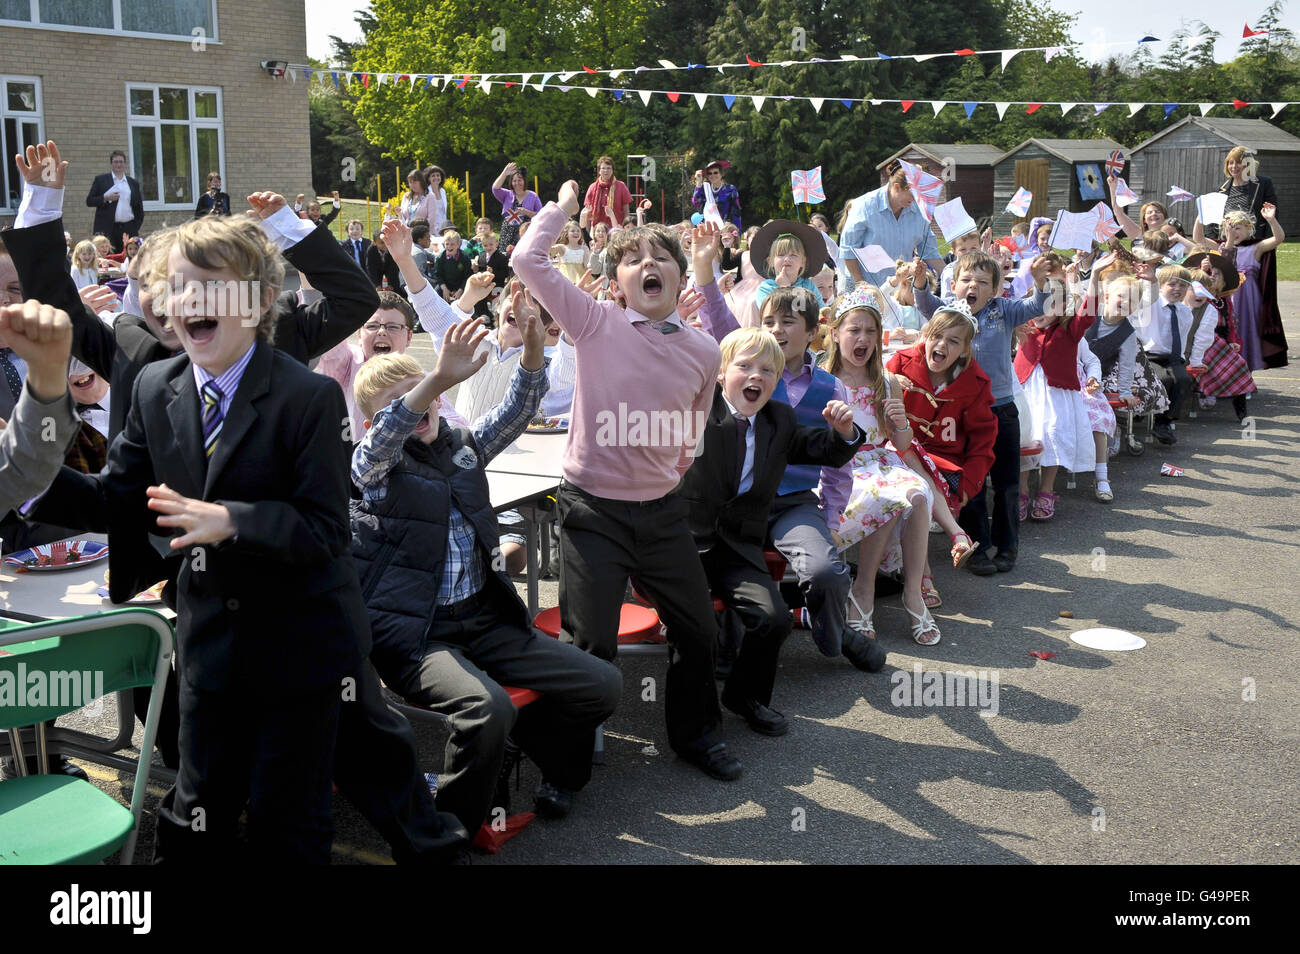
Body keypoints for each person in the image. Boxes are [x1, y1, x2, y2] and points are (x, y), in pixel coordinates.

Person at [28, 214, 384, 863]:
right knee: (195, 816)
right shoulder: (157, 387)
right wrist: (26, 474)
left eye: (214, 287)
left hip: (298, 653)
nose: (193, 300)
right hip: (209, 650)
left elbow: (328, 529)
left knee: (289, 825)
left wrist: (233, 521)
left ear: (259, 302)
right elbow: (116, 498)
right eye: (180, 286)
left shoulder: (307, 398)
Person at [351, 312, 621, 833]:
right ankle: (448, 827)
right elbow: (379, 444)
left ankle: (554, 770)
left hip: (485, 618)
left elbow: (518, 410)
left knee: (602, 682)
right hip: (417, 635)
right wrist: (435, 379)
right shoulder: (374, 465)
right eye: (400, 402)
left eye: (424, 392)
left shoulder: (463, 449)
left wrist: (535, 351)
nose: (418, 405)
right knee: (488, 709)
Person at [514, 179, 745, 782]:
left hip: (663, 513)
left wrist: (669, 472)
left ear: (677, 277)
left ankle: (696, 737)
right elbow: (525, 259)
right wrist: (562, 206)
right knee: (590, 649)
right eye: (634, 261)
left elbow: (693, 428)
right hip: (593, 513)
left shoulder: (702, 350)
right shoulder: (593, 322)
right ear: (615, 282)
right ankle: (564, 769)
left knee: (698, 629)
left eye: (661, 258)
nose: (649, 266)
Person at [692, 227, 885, 673]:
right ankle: (739, 639)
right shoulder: (749, 371)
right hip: (736, 503)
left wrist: (833, 521)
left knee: (826, 572)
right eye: (769, 322)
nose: (776, 330)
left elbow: (838, 462)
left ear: (814, 332)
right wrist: (704, 270)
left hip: (793, 504)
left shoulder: (829, 387)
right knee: (729, 606)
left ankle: (833, 637)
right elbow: (719, 319)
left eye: (789, 322)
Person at [679, 326, 863, 735]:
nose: (756, 376)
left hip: (736, 548)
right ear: (721, 373)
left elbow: (826, 450)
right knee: (696, 629)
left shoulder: (778, 419)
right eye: (744, 366)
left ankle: (745, 697)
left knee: (774, 619)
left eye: (768, 370)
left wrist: (844, 431)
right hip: (683, 545)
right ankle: (698, 727)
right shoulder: (695, 411)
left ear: (777, 382)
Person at [913, 249, 1051, 575]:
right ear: (955, 284)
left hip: (1001, 409)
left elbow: (1037, 305)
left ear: (996, 289)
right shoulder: (948, 310)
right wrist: (920, 283)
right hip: (962, 413)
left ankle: (1007, 548)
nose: (972, 286)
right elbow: (925, 304)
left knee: (1005, 484)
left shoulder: (1004, 310)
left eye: (982, 282)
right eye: (966, 279)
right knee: (970, 483)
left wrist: (1042, 282)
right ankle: (975, 547)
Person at [824, 286, 940, 647]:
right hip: (841, 468)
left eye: (870, 332)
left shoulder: (885, 381)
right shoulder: (823, 380)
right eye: (854, 330)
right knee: (886, 495)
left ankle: (913, 592)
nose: (863, 339)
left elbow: (902, 445)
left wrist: (901, 421)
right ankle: (865, 588)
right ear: (835, 333)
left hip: (881, 462)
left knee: (919, 493)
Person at [885, 304, 995, 607]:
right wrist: (890, 380)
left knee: (916, 486)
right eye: (936, 336)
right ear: (925, 336)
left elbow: (983, 443)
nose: (941, 345)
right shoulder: (899, 364)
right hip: (896, 452)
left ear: (964, 349)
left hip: (943, 465)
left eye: (953, 341)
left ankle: (921, 572)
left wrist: (969, 485)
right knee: (907, 488)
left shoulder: (976, 384)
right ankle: (924, 572)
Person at [1014, 279, 1096, 521]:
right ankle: (1021, 491)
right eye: (1036, 305)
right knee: (1023, 439)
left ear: (1061, 308)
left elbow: (1089, 312)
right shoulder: (1024, 325)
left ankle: (1046, 490)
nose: (1040, 312)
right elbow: (997, 307)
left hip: (1056, 394)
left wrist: (1096, 277)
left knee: (1053, 435)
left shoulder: (1071, 328)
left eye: (1048, 306)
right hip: (1027, 392)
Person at [0, 301, 78, 512]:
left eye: (15, 289)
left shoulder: (49, 346)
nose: (4, 300)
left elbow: (45, 443)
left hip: (53, 500)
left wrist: (48, 375)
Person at [1130, 264, 1214, 445]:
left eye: (1183, 286)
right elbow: (1148, 297)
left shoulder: (1185, 312)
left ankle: (1163, 423)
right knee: (1164, 379)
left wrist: (1188, 360)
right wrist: (1151, 280)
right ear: (1160, 287)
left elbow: (1182, 338)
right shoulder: (1152, 305)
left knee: (1183, 379)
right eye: (1172, 284)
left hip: (1173, 357)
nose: (1178, 289)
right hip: (1149, 356)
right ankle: (1145, 413)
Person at [839, 161, 943, 289]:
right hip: (864, 286)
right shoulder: (865, 205)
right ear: (896, 187)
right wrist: (860, 284)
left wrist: (951, 275)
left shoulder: (920, 212)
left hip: (900, 289)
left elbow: (930, 252)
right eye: (913, 194)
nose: (917, 199)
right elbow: (847, 249)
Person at [1210, 206, 1284, 372]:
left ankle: (1246, 375)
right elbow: (1198, 239)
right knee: (1228, 334)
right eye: (1230, 228)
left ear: (1248, 229)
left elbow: (1278, 239)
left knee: (1246, 334)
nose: (1234, 231)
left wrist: (1271, 220)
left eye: (1238, 228)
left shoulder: (1255, 248)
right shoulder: (1221, 247)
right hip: (1228, 299)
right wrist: (1201, 218)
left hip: (1249, 300)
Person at [748, 219, 827, 315]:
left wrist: (825, 313)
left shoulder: (808, 286)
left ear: (803, 261)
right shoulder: (766, 288)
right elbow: (773, 315)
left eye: (793, 255)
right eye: (781, 254)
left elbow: (818, 313)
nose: (787, 259)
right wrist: (784, 288)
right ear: (770, 261)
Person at [85, 150, 144, 252]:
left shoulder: (133, 183)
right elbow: (89, 201)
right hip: (108, 228)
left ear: (124, 164)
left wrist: (134, 227)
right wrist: (105, 198)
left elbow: (139, 208)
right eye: (115, 162)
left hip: (128, 227)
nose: (118, 164)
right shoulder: (101, 180)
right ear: (111, 164)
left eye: (121, 162)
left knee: (128, 258)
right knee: (107, 258)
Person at [491, 161, 542, 251]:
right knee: (506, 257)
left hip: (525, 233)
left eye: (519, 180)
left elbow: (541, 215)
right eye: (514, 181)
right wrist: (504, 173)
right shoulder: (507, 194)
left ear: (524, 181)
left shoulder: (533, 196)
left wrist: (527, 212)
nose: (517, 183)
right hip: (507, 233)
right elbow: (495, 188)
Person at [581, 156, 632, 232]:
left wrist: (626, 228)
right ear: (599, 171)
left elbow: (626, 210)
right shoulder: (592, 187)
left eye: (609, 168)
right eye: (603, 168)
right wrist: (588, 231)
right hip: (597, 230)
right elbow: (588, 211)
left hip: (617, 228)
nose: (606, 171)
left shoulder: (621, 186)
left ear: (612, 170)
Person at [692, 160, 742, 229]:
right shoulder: (705, 189)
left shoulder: (730, 189)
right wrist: (698, 182)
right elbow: (696, 202)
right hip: (709, 228)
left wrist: (728, 222)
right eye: (710, 173)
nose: (713, 175)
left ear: (721, 174)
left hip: (726, 227)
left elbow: (736, 209)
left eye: (715, 173)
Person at [432, 228, 473, 301]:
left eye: (452, 244)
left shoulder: (465, 258)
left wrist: (460, 290)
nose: (449, 247)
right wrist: (444, 289)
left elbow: (467, 276)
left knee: (469, 295)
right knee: (435, 294)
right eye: (447, 244)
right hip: (445, 285)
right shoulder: (440, 258)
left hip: (460, 285)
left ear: (458, 244)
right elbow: (438, 275)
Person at [421, 165, 449, 233]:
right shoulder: (425, 192)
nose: (436, 177)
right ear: (428, 178)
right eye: (433, 175)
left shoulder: (443, 191)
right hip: (430, 228)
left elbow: (443, 212)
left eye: (438, 175)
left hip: (443, 228)